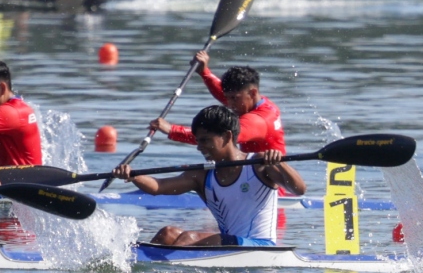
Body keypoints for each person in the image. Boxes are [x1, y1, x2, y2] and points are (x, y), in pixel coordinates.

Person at [113, 105, 305, 247]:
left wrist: (280, 163)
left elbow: (298, 189)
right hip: (227, 244)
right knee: (167, 234)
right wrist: (132, 175)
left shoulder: (259, 164)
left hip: (261, 246)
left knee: (189, 239)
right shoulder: (202, 175)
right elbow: (158, 187)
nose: (199, 147)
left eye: (205, 140)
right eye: (197, 141)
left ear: (228, 137)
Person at [150, 54, 286, 154]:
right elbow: (223, 92)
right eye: (228, 98)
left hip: (271, 189)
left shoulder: (257, 121)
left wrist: (172, 130)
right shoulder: (256, 102)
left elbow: (216, 137)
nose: (230, 104)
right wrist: (204, 71)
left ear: (252, 92)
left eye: (234, 98)